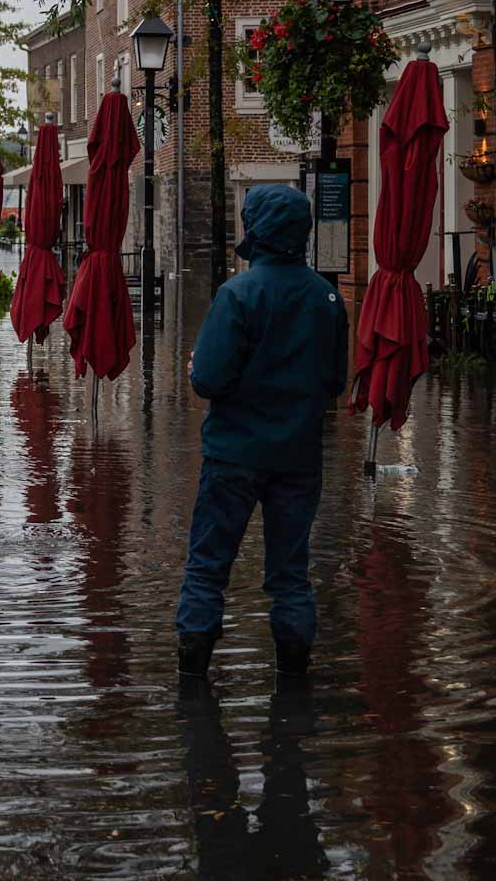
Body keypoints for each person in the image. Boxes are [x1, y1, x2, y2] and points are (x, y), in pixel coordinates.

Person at [176, 185, 348, 680]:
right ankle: (293, 682)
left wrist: (196, 368)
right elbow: (334, 381)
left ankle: (194, 684)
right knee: (292, 574)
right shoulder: (328, 298)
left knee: (208, 567)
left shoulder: (239, 294)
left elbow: (208, 379)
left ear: (255, 229)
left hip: (234, 455)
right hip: (298, 457)